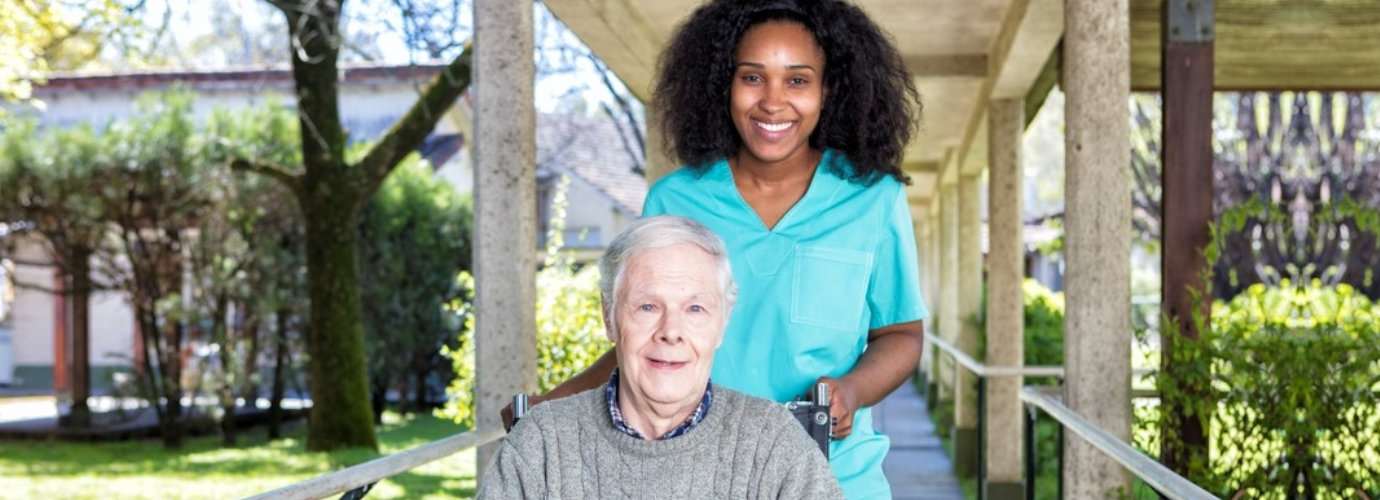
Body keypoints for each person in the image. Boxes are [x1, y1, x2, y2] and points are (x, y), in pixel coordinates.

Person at [506, 0, 928, 497]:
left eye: (797, 80)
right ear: (723, 84)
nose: (773, 102)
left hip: (837, 476)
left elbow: (901, 334)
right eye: (753, 78)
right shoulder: (675, 199)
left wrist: (852, 392)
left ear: (827, 89)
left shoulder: (873, 199)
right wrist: (548, 408)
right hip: (701, 478)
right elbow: (643, 338)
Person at [479, 215, 842, 499]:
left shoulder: (774, 443)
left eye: (695, 308)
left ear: (722, 322)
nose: (671, 330)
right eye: (648, 306)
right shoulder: (541, 443)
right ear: (609, 316)